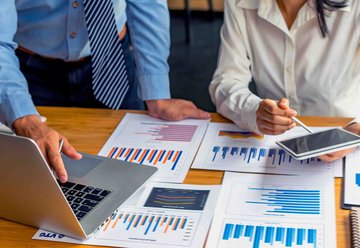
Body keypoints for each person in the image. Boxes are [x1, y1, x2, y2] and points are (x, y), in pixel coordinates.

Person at [0, 0, 210, 183]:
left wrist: (157, 92)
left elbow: (148, 3)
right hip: (26, 71)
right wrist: (25, 118)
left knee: (132, 176)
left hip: (111, 59)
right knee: (40, 183)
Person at [210, 0, 360, 162]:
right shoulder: (238, 3)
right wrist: (254, 110)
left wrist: (356, 131)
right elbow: (226, 82)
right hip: (274, 143)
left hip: (346, 136)